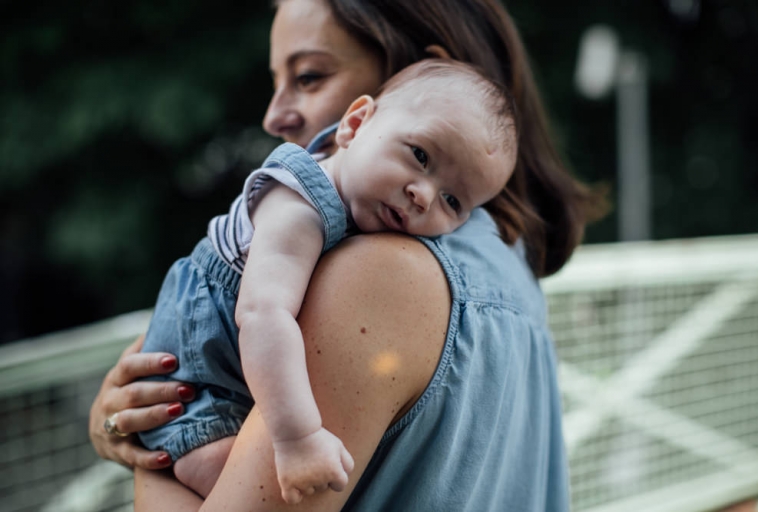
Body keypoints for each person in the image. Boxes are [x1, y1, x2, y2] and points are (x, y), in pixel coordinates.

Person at [89, 0, 606, 509]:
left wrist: (145, 447)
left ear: (409, 69)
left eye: (310, 76)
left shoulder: (379, 273)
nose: (275, 117)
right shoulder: (512, 268)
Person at [135, 58, 518, 503]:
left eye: (452, 200)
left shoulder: (367, 209)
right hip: (200, 374)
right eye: (420, 156)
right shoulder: (299, 204)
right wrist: (297, 437)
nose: (423, 194)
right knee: (241, 482)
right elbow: (262, 314)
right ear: (355, 124)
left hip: (240, 369)